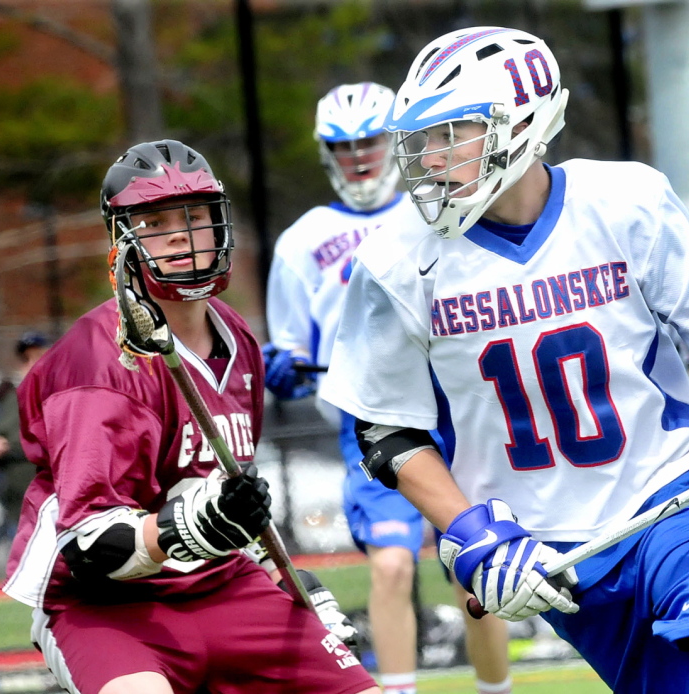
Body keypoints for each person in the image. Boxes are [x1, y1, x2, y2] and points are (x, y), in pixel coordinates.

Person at [321, 26, 689, 694]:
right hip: (544, 543)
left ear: (523, 123)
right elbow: (386, 432)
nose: (429, 157)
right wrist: (470, 533)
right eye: (423, 138)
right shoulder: (397, 258)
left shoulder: (625, 201)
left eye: (451, 133)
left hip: (666, 490)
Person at [2, 139, 378, 694]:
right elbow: (87, 550)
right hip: (108, 608)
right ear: (123, 241)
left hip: (224, 586)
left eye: (194, 217)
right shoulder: (93, 363)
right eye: (154, 221)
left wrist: (287, 578)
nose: (179, 234)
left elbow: (228, 502)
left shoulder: (238, 339)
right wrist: (182, 531)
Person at [264, 83, 512, 694]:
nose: (358, 156)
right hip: (369, 416)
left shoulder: (439, 208)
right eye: (343, 146)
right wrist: (286, 363)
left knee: (477, 571)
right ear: (327, 153)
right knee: (394, 565)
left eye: (370, 141)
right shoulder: (301, 239)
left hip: (456, 409)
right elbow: (289, 342)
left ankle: (496, 689)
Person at [0, 332, 50, 567]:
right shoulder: (14, 396)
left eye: (40, 356)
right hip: (15, 488)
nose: (33, 364)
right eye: (27, 359)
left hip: (47, 488)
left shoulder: (59, 394)